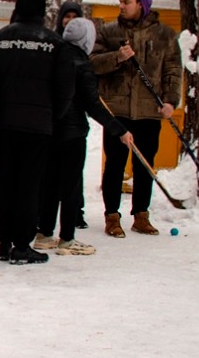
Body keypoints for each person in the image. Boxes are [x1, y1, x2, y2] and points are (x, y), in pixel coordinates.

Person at [0, 0, 75, 265]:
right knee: (31, 185)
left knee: (6, 183)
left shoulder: (0, 40)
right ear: (42, 11)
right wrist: (53, 116)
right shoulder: (55, 43)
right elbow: (65, 88)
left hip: (5, 124)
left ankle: (5, 241)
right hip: (38, 127)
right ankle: (22, 244)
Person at [91, 0, 182, 237]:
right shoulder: (108, 32)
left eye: (127, 1)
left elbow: (173, 70)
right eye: (120, 1)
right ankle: (112, 216)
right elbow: (92, 64)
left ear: (141, 4)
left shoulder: (165, 35)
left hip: (149, 111)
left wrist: (170, 101)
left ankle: (141, 215)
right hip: (116, 110)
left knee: (145, 165)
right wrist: (117, 57)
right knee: (115, 165)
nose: (121, 6)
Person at [35, 18, 132, 256]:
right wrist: (119, 129)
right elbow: (93, 105)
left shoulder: (51, 58)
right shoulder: (82, 64)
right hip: (72, 133)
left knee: (50, 184)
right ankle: (67, 238)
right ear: (86, 39)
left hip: (49, 131)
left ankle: (45, 234)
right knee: (70, 185)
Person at [54, 0, 88, 229]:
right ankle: (48, 219)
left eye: (75, 17)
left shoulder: (84, 53)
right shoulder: (54, 46)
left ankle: (76, 212)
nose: (70, 21)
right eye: (67, 17)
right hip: (58, 121)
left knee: (75, 176)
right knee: (54, 172)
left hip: (75, 120)